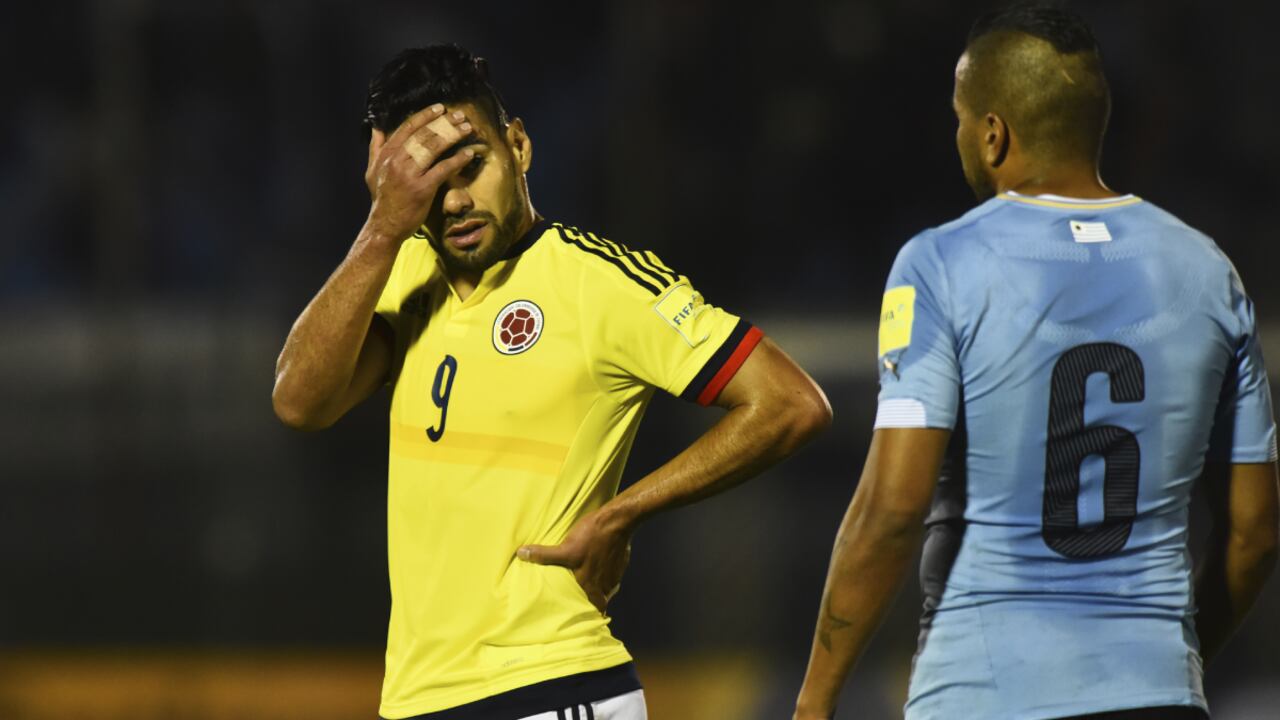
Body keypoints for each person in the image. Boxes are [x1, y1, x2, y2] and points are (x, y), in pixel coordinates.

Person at [271, 44, 831, 720]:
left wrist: (623, 513)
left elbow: (791, 403)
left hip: (551, 687)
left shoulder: (600, 283)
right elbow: (299, 401)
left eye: (472, 166)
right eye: (427, 182)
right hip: (420, 699)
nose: (454, 202)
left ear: (520, 146)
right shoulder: (405, 268)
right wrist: (383, 226)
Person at [793, 4, 1279, 720]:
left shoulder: (941, 263)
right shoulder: (1209, 272)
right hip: (1157, 693)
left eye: (961, 117)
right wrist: (1166, 664)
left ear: (993, 134)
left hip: (985, 693)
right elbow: (1255, 531)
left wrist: (814, 703)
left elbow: (891, 511)